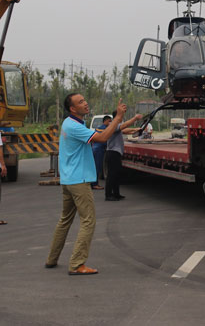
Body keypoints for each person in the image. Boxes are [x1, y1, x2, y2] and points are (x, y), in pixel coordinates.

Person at [45, 93, 126, 275]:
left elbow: (99, 133)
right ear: (73, 109)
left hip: (68, 179)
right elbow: (103, 137)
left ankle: (52, 258)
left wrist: (118, 123)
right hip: (79, 180)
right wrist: (118, 118)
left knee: (65, 220)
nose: (85, 103)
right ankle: (76, 264)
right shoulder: (74, 126)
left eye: (84, 100)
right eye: (81, 102)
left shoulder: (69, 123)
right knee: (88, 221)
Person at [105, 109, 143, 201]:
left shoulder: (116, 126)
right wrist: (135, 118)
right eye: (121, 115)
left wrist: (135, 130)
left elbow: (124, 130)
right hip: (112, 153)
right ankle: (108, 195)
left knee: (116, 174)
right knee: (112, 175)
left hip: (116, 153)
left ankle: (116, 194)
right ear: (117, 116)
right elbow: (124, 126)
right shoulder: (112, 125)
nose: (122, 118)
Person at [90, 116, 111, 190]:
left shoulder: (98, 128)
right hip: (99, 149)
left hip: (94, 148)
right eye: (109, 121)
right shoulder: (105, 129)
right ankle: (95, 184)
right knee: (97, 167)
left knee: (94, 167)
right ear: (106, 121)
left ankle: (92, 183)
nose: (110, 123)